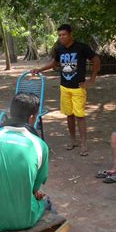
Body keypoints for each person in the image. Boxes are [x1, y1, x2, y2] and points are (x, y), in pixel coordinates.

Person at [0, 93, 52, 232]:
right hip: (23, 220)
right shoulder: (39, 145)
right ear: (31, 118)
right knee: (47, 202)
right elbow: (34, 190)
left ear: (10, 112)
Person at [31, 24, 100, 156]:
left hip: (79, 88)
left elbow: (96, 59)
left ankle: (84, 143)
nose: (61, 37)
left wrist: (91, 80)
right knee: (69, 115)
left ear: (70, 34)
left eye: (64, 35)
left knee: (80, 116)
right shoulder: (60, 49)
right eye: (59, 35)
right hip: (64, 87)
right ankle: (73, 141)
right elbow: (54, 63)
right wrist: (38, 69)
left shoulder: (82, 47)